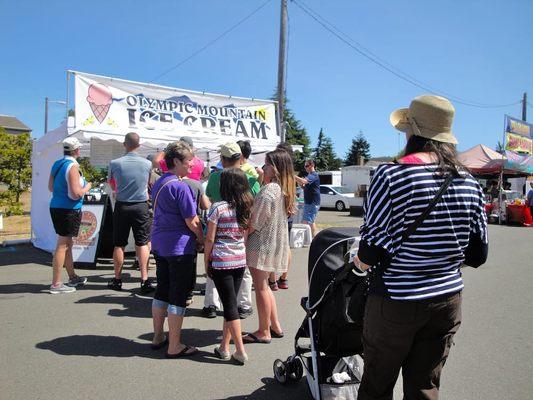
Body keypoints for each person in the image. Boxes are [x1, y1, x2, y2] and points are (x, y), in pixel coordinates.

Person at [354, 94, 488, 400]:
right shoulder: (469, 182)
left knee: (377, 384)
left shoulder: (392, 174)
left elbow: (372, 250)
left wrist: (358, 263)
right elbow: (478, 254)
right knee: (425, 386)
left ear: (412, 131)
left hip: (396, 301)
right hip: (446, 300)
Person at [150, 141, 204, 358]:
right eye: (188, 161)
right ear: (176, 162)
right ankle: (175, 345)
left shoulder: (159, 182)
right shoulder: (180, 186)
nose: (192, 165)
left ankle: (158, 336)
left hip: (160, 243)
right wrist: (202, 239)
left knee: (162, 289)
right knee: (178, 295)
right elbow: (192, 220)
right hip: (179, 246)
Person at [202, 142, 260, 319]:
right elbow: (255, 201)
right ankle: (244, 304)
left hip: (218, 228)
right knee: (243, 269)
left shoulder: (215, 177)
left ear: (222, 159)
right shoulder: (250, 178)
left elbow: (210, 198)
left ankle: (211, 304)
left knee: (214, 267)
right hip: (242, 229)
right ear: (240, 157)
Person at [243, 149, 295, 344]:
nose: (263, 168)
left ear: (274, 167)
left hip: (260, 243)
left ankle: (263, 331)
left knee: (261, 288)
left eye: (266, 164)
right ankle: (274, 325)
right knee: (265, 286)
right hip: (270, 244)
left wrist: (243, 233)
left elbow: (255, 221)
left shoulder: (268, 191)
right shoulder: (281, 188)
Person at [205, 168, 253, 365]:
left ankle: (240, 350)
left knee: (230, 306)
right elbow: (246, 234)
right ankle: (224, 347)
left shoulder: (218, 208)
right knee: (230, 303)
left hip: (222, 261)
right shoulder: (246, 207)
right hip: (239, 260)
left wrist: (206, 261)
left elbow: (210, 238)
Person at [107, 132, 154, 293]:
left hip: (122, 205)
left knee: (119, 244)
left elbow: (112, 184)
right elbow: (147, 183)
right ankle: (144, 279)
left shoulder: (114, 163)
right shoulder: (147, 164)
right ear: (139, 145)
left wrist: (119, 190)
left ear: (124, 144)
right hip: (140, 206)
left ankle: (117, 279)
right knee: (142, 243)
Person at [48, 137, 91, 294]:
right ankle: (56, 284)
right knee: (63, 245)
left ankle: (72, 277)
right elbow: (76, 193)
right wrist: (88, 187)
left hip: (57, 206)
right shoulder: (72, 166)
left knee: (67, 244)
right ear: (76, 150)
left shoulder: (57, 164)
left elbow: (50, 187)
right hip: (68, 209)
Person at [179, 139, 211, 306]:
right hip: (195, 208)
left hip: (177, 220)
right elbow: (205, 204)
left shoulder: (171, 180)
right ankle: (188, 292)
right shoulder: (200, 164)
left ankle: (174, 291)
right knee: (190, 259)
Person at [294, 159, 320, 238]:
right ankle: (311, 238)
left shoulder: (313, 175)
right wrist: (299, 182)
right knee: (309, 221)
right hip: (310, 202)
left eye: (306, 166)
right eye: (305, 166)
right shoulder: (309, 175)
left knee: (309, 222)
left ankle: (313, 238)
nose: (305, 168)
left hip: (312, 202)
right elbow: (304, 186)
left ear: (312, 165)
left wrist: (293, 175)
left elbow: (304, 181)